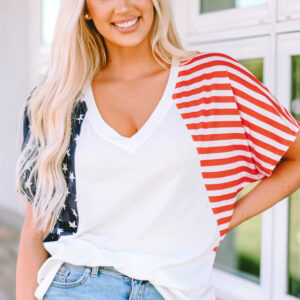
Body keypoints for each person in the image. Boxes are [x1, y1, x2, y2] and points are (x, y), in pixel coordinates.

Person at [15, 0, 300, 300]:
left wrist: (225, 219)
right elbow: (34, 231)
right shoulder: (57, 101)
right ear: (85, 9)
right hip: (78, 285)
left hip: (179, 290)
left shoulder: (213, 78)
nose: (123, 6)